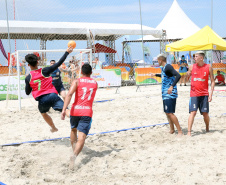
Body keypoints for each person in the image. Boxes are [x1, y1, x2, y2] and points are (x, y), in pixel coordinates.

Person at [24, 47, 73, 132]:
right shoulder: (45, 70)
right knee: (65, 110)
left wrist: (30, 84)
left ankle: (53, 128)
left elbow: (27, 92)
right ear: (37, 62)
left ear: (28, 65)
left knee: (43, 113)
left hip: (42, 100)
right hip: (53, 95)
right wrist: (67, 52)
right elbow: (58, 63)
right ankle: (75, 116)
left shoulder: (28, 77)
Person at [61, 63, 98, 169]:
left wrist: (64, 110)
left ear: (81, 72)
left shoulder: (77, 81)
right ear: (91, 73)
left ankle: (73, 149)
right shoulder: (95, 83)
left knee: (73, 130)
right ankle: (74, 155)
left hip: (75, 111)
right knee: (81, 137)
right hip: (86, 112)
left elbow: (69, 94)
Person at [150, 54, 183, 136]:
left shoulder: (168, 67)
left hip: (170, 94)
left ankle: (180, 131)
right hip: (165, 94)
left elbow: (178, 75)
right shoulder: (164, 68)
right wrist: (155, 75)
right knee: (167, 112)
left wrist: (171, 86)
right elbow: (164, 75)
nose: (157, 62)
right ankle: (172, 129)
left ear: (161, 60)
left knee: (170, 113)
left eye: (158, 60)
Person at [186, 51, 215, 136]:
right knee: (193, 112)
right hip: (194, 94)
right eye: (194, 56)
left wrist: (210, 94)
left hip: (204, 94)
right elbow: (185, 80)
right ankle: (189, 132)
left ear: (201, 58)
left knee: (205, 114)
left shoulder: (209, 67)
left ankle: (207, 128)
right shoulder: (191, 67)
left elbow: (213, 81)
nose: (194, 58)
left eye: (196, 56)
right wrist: (187, 75)